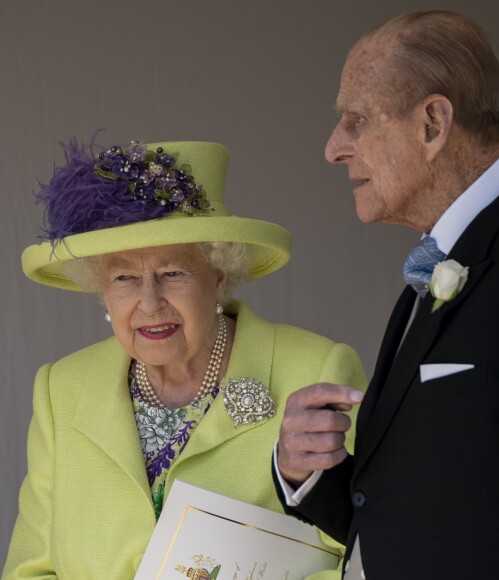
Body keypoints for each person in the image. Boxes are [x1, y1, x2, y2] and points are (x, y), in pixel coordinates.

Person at [275, 10, 499, 579]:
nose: (333, 147)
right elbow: (428, 518)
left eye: (357, 119)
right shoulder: (443, 260)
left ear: (434, 124)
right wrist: (305, 469)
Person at [2, 139, 366, 579]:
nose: (150, 303)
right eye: (124, 278)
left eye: (172, 273)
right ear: (103, 290)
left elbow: (360, 557)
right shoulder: (62, 388)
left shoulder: (313, 370)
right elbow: (29, 569)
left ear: (216, 279)